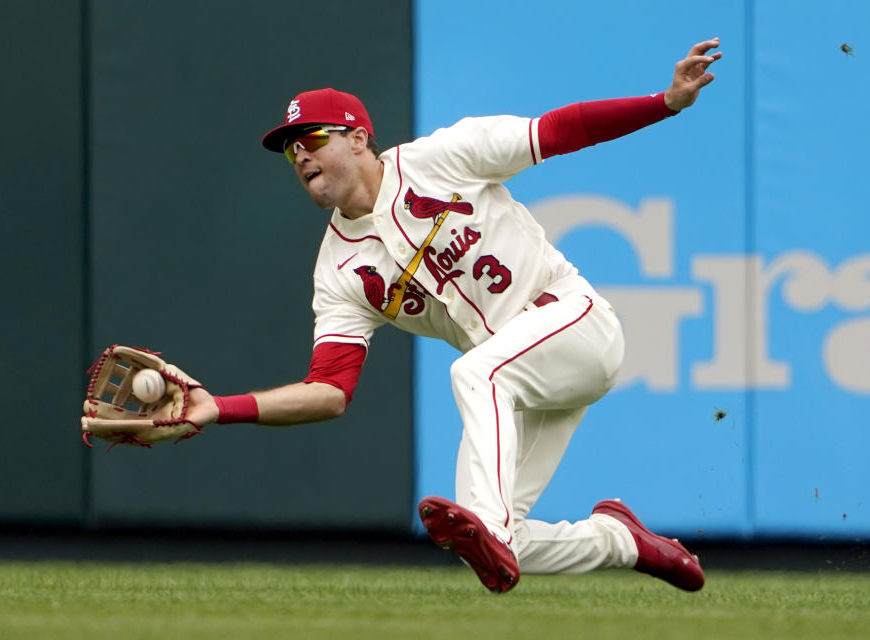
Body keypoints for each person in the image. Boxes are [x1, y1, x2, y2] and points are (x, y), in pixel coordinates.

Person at [185, 38, 722, 593]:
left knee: (475, 376)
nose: (299, 154)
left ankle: (490, 524)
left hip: (574, 322)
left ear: (359, 138)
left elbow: (559, 131)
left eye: (311, 138)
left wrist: (665, 102)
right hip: (526, 380)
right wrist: (218, 409)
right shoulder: (337, 269)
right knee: (495, 545)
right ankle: (621, 541)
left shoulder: (442, 157)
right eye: (290, 148)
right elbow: (329, 390)